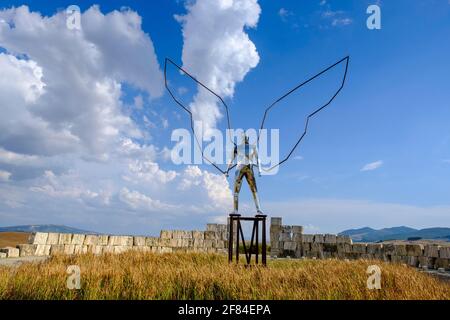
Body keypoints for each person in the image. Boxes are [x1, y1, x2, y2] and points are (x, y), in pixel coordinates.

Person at [226, 133, 263, 215]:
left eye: (246, 137)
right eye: (244, 137)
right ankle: (235, 210)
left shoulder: (253, 147)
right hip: (239, 169)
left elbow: (258, 159)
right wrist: (227, 170)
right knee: (236, 190)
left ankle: (259, 209)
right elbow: (231, 160)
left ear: (248, 138)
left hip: (249, 168)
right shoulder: (238, 147)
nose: (245, 138)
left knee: (254, 190)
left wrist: (260, 170)